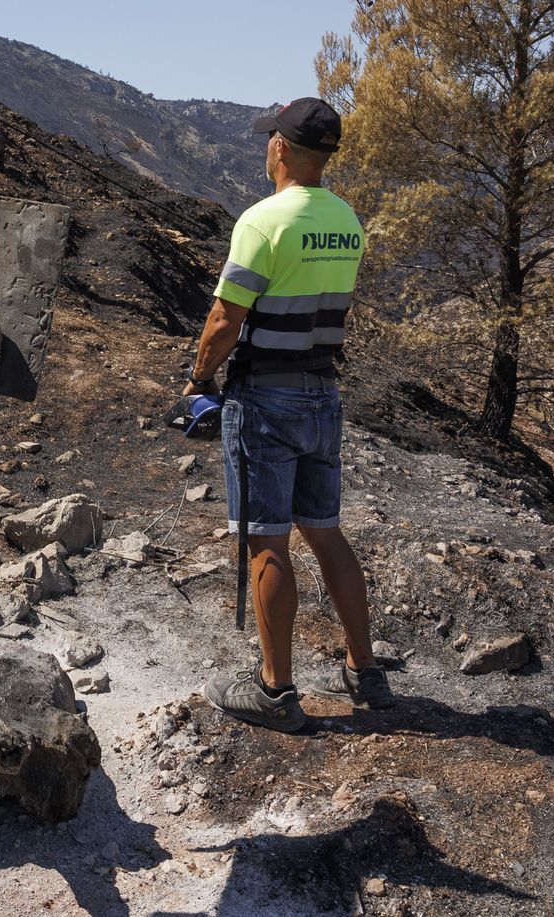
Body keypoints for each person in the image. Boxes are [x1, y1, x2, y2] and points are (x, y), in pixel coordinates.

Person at [183, 97, 386, 732]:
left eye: (269, 138)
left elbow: (224, 319)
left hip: (265, 396)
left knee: (267, 541)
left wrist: (197, 381)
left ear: (279, 147)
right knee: (323, 530)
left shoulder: (263, 221)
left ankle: (275, 691)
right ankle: (366, 672)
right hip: (323, 391)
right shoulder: (347, 221)